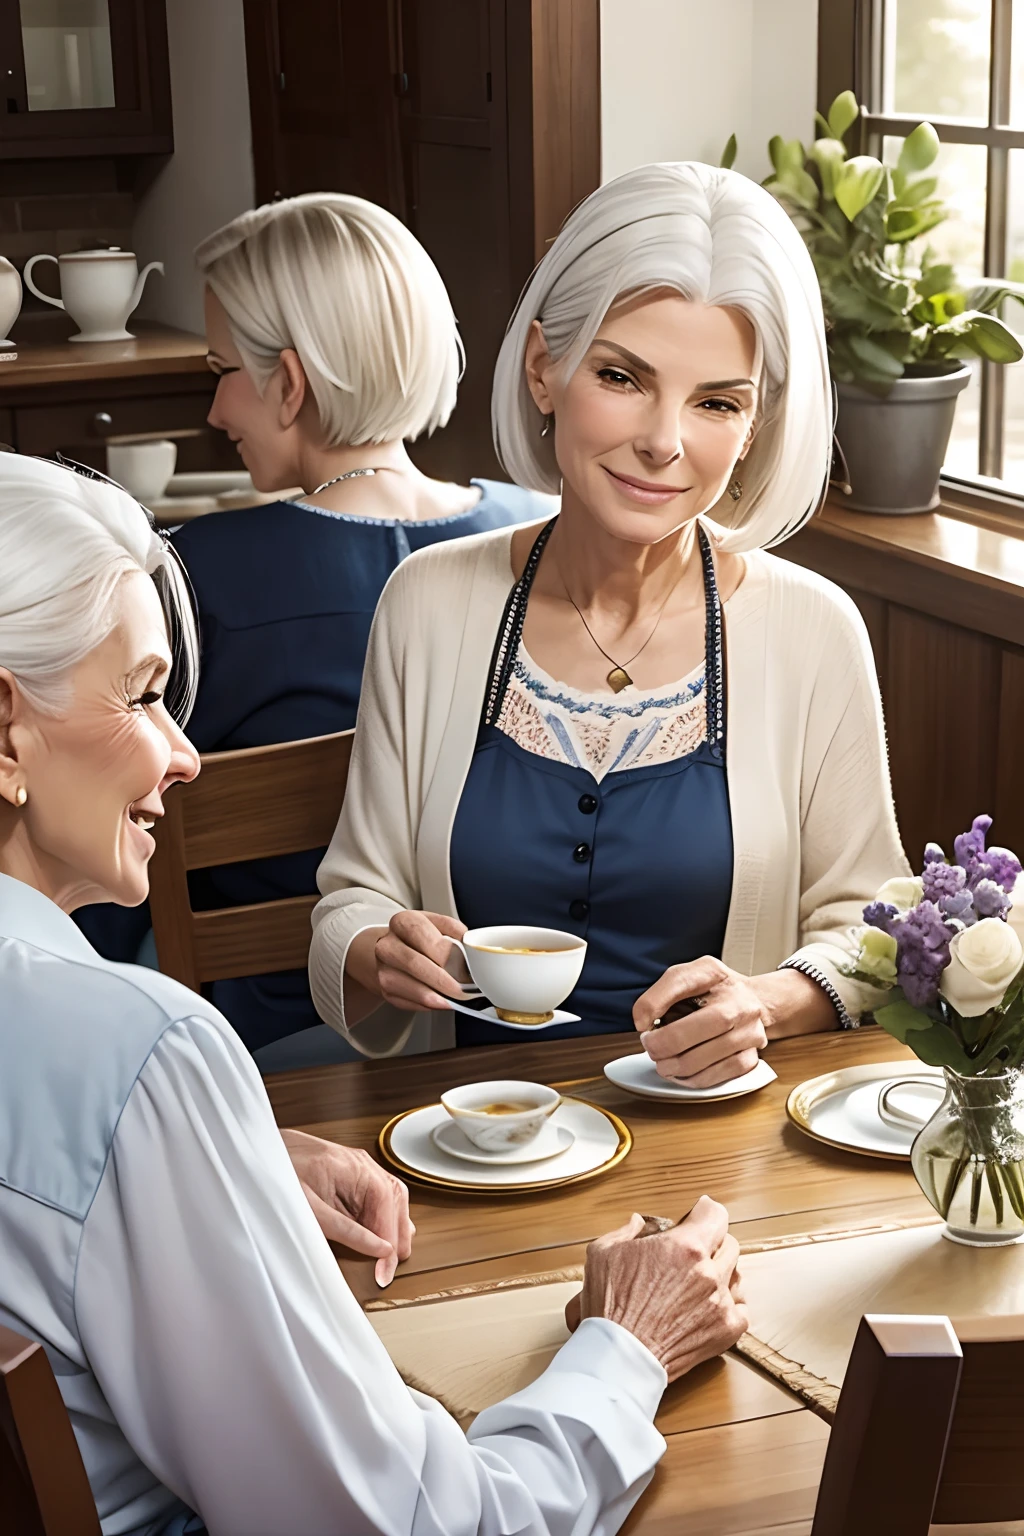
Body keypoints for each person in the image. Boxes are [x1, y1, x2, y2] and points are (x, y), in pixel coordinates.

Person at [0, 455, 746, 1535]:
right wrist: (625, 1349)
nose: (183, 756)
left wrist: (202, 1167)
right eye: (146, 695)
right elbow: (406, 1525)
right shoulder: (138, 1052)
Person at [310, 161, 910, 1081]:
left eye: (717, 401)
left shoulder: (814, 630)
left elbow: (870, 928)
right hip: (468, 1137)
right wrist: (372, 949)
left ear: (753, 427)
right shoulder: (426, 603)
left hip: (719, 1152)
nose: (665, 440)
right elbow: (354, 894)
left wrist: (770, 999)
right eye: (624, 376)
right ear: (545, 368)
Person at [75, 193, 552, 1053]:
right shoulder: (549, 533)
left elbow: (99, 835)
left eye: (221, 370)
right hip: (514, 1017)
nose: (217, 413)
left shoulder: (187, 576)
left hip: (261, 1037)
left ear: (289, 383)